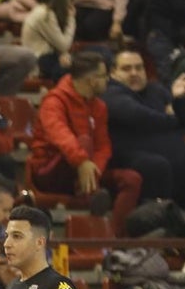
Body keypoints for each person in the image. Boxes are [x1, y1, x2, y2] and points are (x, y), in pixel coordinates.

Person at [102, 49, 185, 217]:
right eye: (127, 69)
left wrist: (180, 99)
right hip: (132, 156)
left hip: (175, 157)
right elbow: (142, 117)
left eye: (139, 68)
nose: (134, 73)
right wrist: (173, 118)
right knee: (157, 166)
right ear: (113, 72)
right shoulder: (111, 93)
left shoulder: (156, 89)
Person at [27, 51, 142, 236]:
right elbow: (60, 136)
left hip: (86, 171)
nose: (108, 80)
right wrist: (82, 161)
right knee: (84, 142)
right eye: (104, 76)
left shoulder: (99, 107)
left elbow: (103, 146)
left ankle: (116, 239)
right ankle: (91, 196)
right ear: (92, 80)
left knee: (131, 179)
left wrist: (94, 168)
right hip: (51, 170)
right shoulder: (54, 101)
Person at [22, 0, 77, 82]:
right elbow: (64, 45)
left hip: (48, 57)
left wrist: (64, 55)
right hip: (40, 61)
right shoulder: (44, 14)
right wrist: (71, 19)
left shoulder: (43, 10)